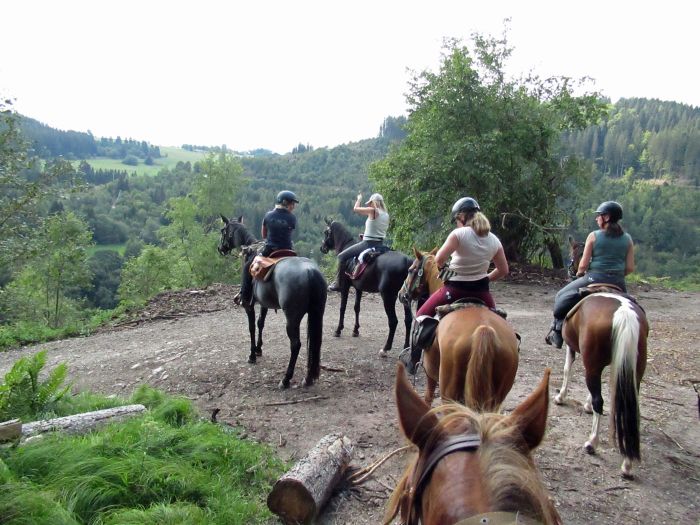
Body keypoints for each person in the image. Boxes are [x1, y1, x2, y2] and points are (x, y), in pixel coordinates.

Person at [403, 197, 509, 375]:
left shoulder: (458, 235)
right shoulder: (494, 240)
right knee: (498, 323)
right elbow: (503, 270)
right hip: (482, 293)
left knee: (420, 316)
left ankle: (414, 359)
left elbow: (439, 260)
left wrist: (447, 275)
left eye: (456, 220)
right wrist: (485, 279)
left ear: (461, 217)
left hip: (454, 290)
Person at [545, 200, 634, 348]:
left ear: (606, 218)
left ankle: (558, 333)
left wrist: (580, 274)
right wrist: (616, 275)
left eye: (599, 215)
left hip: (594, 277)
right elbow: (630, 268)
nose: (596, 218)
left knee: (561, 295)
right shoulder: (628, 239)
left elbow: (583, 265)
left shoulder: (593, 236)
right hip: (618, 281)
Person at [237, 190, 298, 305]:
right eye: (292, 203)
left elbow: (264, 235)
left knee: (247, 268)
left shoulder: (268, 215)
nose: (293, 206)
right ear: (285, 203)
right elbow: (290, 233)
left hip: (270, 250)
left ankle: (245, 298)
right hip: (289, 250)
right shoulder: (292, 218)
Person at [328, 192, 390, 291]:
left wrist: (359, 199)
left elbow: (356, 209)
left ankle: (339, 283)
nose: (369, 205)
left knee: (341, 257)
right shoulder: (386, 215)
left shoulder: (373, 211)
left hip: (368, 244)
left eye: (370, 203)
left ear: (373, 202)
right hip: (380, 244)